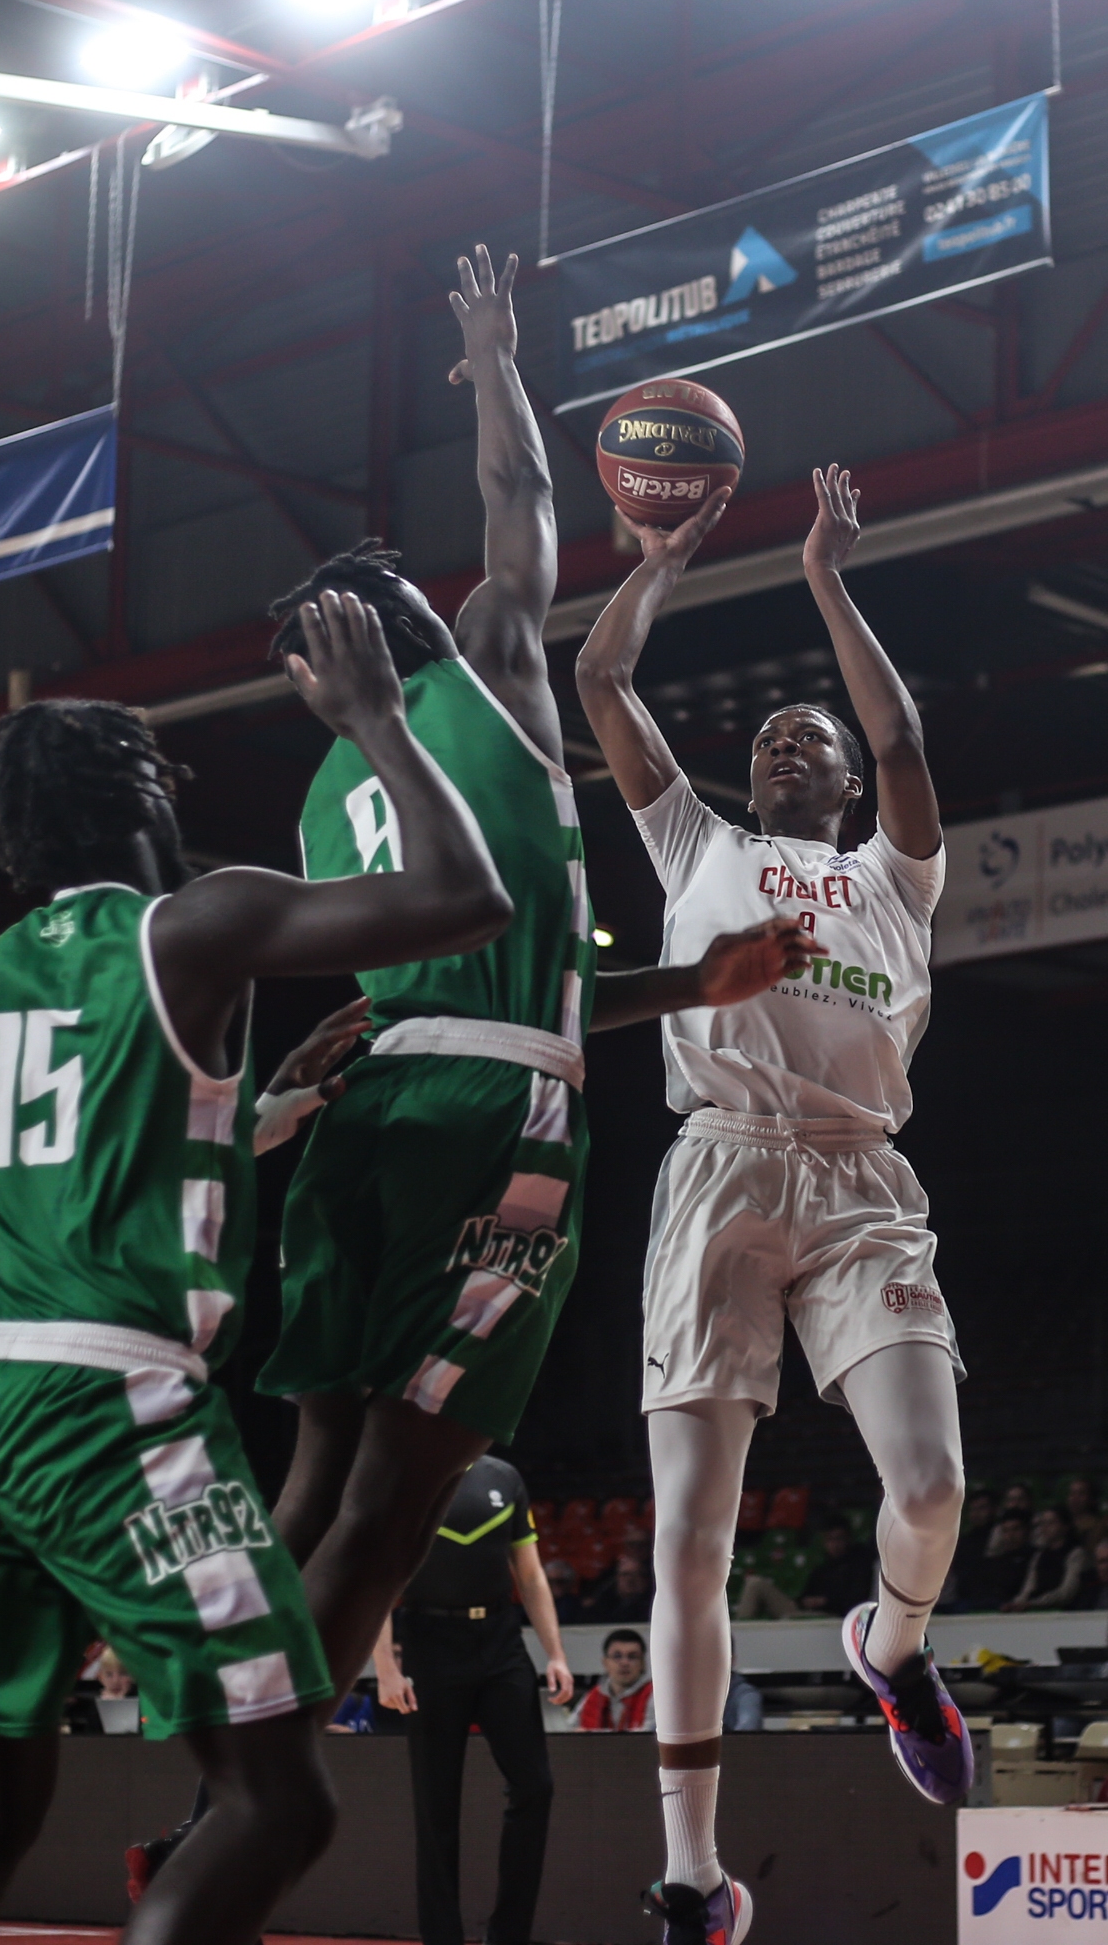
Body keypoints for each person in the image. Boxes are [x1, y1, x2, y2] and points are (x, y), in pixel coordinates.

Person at [130, 239, 813, 1895]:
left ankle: (214, 1746)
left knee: (317, 1461)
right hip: (503, 1119)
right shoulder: (489, 665)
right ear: (412, 618)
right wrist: (498, 352)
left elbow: (489, 965)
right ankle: (268, 1784)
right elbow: (519, 500)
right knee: (399, 1481)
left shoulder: (319, 798)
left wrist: (681, 979)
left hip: (375, 1122)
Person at [0, 593, 518, 1945]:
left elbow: (94, 1159)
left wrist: (254, 1121)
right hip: (100, 1401)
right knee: (274, 1802)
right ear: (136, 802)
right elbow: (469, 901)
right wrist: (378, 724)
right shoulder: (191, 924)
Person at [577, 462, 972, 1943]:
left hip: (865, 1180)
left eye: (813, 736)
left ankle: (895, 1646)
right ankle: (692, 1873)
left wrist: (823, 569)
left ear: (846, 784)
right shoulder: (697, 844)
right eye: (771, 735)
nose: (792, 742)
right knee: (691, 1534)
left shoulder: (894, 879)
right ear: (748, 779)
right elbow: (603, 675)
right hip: (722, 1166)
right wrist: (664, 556)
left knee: (928, 1491)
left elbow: (905, 730)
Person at [373, 1455, 572, 1945]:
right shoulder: (404, 1475)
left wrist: (556, 1655)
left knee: (535, 1785)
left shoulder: (503, 1476)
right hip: (429, 1641)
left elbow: (529, 1574)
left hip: (501, 1639)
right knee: (436, 1804)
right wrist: (385, 1668)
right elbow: (378, 1581)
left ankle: (509, 1935)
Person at [734, 1513, 874, 1621]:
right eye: (830, 1539)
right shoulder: (822, 1568)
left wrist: (826, 1602)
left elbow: (857, 1601)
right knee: (754, 1583)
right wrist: (806, 1601)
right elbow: (803, 1597)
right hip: (805, 1613)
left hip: (835, 1618)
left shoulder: (859, 1564)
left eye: (838, 1538)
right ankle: (737, 1637)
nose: (834, 1544)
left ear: (848, 1539)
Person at [1003, 1507, 1089, 1612]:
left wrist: (1034, 1603)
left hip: (1065, 1613)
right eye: (1043, 1523)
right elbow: (1029, 1587)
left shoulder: (1076, 1554)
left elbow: (1066, 1593)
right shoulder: (1039, 1555)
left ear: (1065, 1526)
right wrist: (1016, 1603)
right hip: (1037, 1609)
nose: (1045, 1528)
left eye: (1051, 1523)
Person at [572, 1628, 655, 1732]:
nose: (624, 1663)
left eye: (632, 1657)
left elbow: (650, 1735)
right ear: (605, 1663)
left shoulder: (653, 1695)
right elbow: (572, 1731)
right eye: (617, 1656)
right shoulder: (593, 1696)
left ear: (643, 1663)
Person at [946, 1489, 998, 1610]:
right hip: (966, 1599)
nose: (977, 1513)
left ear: (994, 1509)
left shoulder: (1000, 1537)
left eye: (982, 1508)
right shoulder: (964, 1541)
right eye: (973, 1509)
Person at [581, 1548, 655, 1625]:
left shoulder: (653, 1607)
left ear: (645, 1578)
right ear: (617, 1578)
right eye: (625, 1574)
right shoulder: (602, 1606)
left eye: (636, 1575)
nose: (630, 1580)